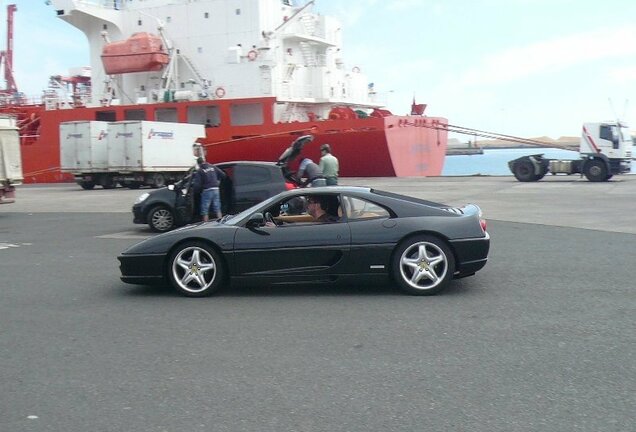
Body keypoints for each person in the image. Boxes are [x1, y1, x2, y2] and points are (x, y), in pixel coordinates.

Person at [193, 157, 226, 222]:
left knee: (205, 209)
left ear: (198, 163)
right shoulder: (213, 167)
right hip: (216, 189)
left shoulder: (200, 170)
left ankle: (206, 224)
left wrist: (196, 191)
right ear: (204, 161)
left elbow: (197, 184)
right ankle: (221, 222)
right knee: (217, 207)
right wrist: (218, 181)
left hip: (207, 190)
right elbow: (223, 175)